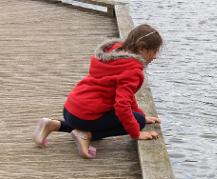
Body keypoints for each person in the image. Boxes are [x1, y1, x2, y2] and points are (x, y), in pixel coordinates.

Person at [33, 24, 163, 159]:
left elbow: (127, 96)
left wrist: (139, 113)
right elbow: (122, 105)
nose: (155, 57)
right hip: (85, 116)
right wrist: (136, 132)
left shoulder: (112, 53)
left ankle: (53, 124)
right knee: (138, 122)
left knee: (138, 117)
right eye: (154, 51)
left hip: (71, 109)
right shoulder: (132, 70)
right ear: (142, 48)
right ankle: (86, 135)